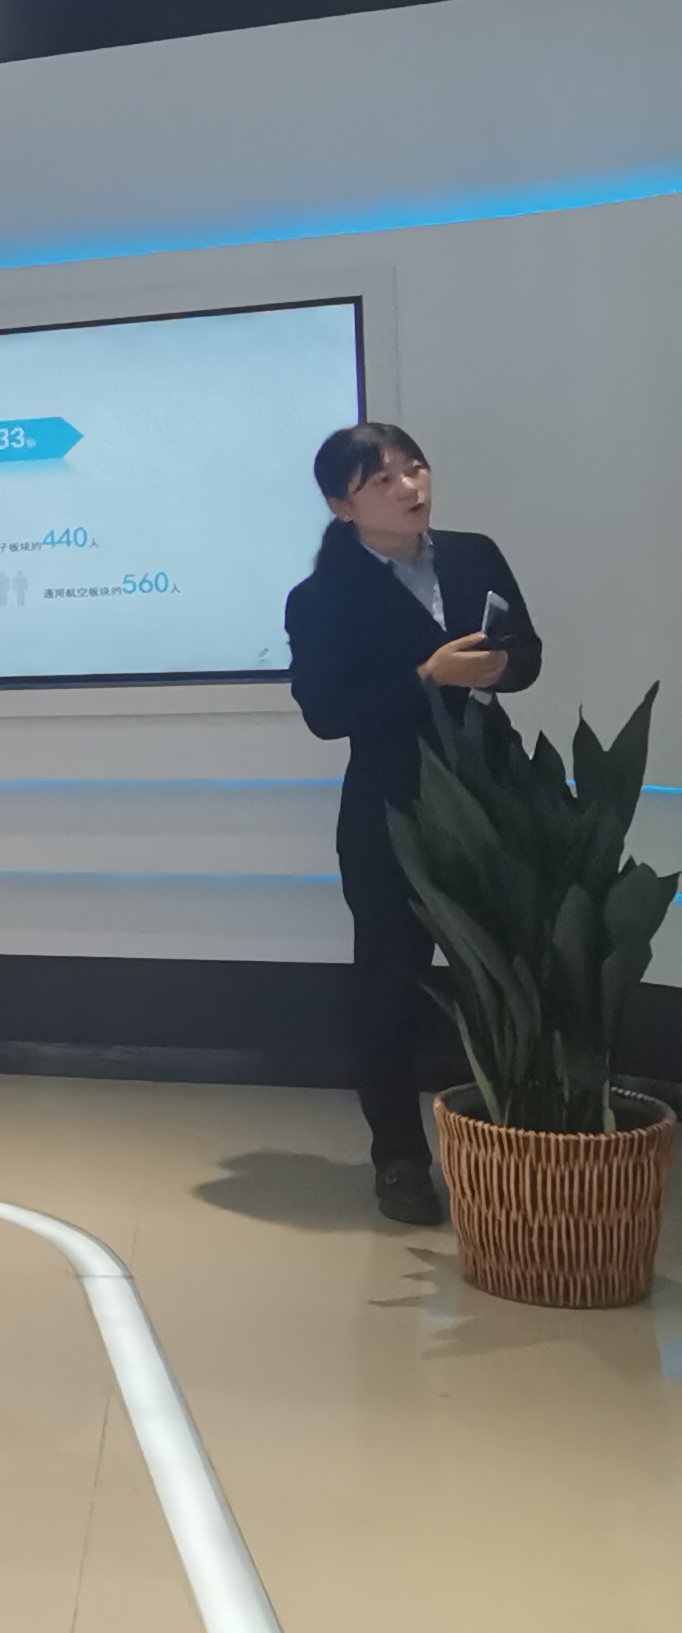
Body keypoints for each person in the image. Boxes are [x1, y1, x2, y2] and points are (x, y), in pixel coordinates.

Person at [285, 420, 540, 1227]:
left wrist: (503, 666)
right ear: (342, 506)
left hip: (492, 789)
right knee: (390, 985)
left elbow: (528, 655)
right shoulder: (320, 598)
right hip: (392, 807)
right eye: (383, 480)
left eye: (416, 468)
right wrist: (428, 675)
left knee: (509, 971)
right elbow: (327, 714)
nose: (410, 487)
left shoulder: (472, 555)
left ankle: (518, 1140)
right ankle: (399, 1158)